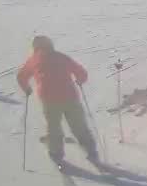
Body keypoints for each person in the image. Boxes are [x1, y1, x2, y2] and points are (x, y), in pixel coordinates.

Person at [16, 36, 99, 168]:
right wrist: (80, 80)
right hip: (70, 96)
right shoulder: (61, 57)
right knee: (78, 124)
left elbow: (21, 76)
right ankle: (90, 149)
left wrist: (26, 88)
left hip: (49, 99)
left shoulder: (34, 60)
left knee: (53, 126)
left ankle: (56, 152)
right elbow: (81, 71)